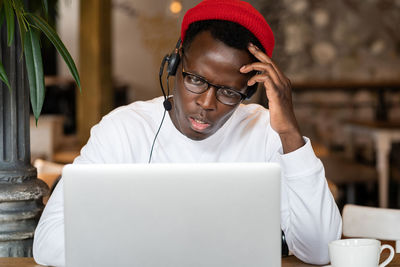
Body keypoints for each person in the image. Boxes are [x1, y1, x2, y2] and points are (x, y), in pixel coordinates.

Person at [33, 0, 342, 266]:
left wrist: (289, 133)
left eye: (228, 93)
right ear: (175, 61)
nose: (206, 104)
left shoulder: (267, 132)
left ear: (249, 91)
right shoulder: (123, 130)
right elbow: (48, 241)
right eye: (195, 79)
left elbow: (319, 250)